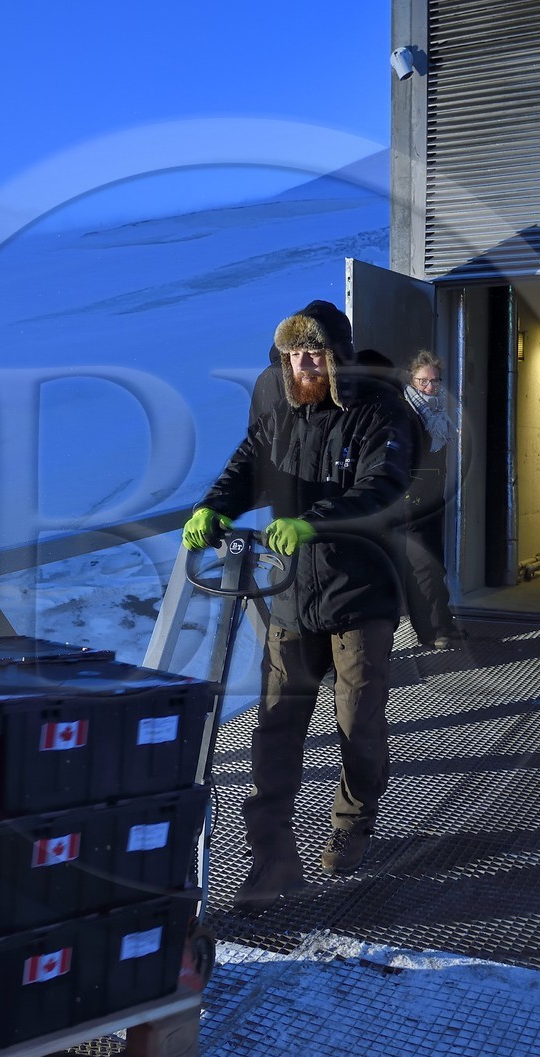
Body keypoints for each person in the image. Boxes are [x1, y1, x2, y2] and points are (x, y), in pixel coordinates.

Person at [183, 299, 413, 907]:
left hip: (361, 591)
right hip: (290, 595)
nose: (303, 364)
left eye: (314, 353)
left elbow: (382, 487)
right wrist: (214, 507)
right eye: (293, 354)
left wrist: (317, 521)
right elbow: (245, 467)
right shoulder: (279, 411)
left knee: (357, 722)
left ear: (337, 355)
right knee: (277, 729)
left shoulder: (378, 411)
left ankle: (351, 823)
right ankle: (272, 860)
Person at [400, 350, 461, 649]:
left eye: (435, 381)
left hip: (433, 500)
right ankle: (433, 631)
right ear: (412, 380)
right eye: (423, 381)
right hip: (411, 503)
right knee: (423, 566)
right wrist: (409, 494)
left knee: (436, 562)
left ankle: (443, 622)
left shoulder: (439, 414)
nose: (430, 388)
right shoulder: (406, 412)